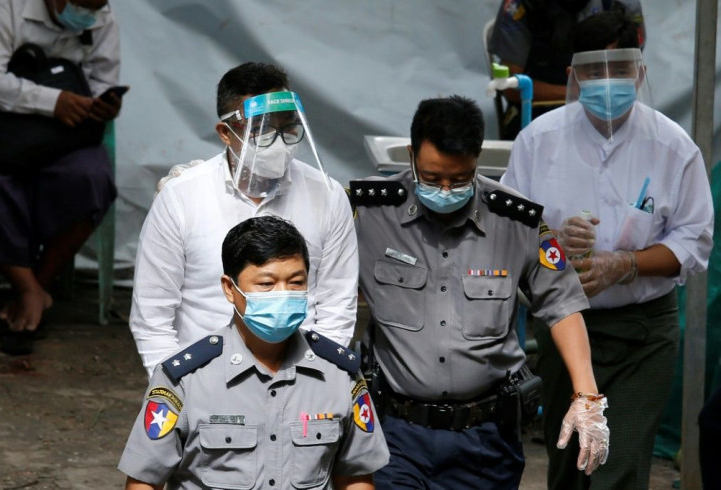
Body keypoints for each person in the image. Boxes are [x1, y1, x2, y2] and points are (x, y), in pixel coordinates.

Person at [500, 11, 714, 489]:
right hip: (563, 326)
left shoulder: (673, 146)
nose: (607, 81)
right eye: (594, 70)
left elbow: (694, 240)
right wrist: (552, 242)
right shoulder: (539, 141)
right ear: (574, 74)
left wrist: (627, 264)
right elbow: (510, 231)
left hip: (643, 331)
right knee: (570, 467)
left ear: (639, 70)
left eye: (619, 68)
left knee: (617, 466)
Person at [353, 95, 608, 489]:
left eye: (459, 180)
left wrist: (586, 395)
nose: (444, 189)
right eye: (432, 177)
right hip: (395, 434)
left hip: (485, 438)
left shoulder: (516, 221)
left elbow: (562, 305)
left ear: (476, 162)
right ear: (410, 155)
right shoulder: (368, 214)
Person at [119, 216, 389, 489]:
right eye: (266, 284)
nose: (283, 294)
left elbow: (355, 477)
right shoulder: (184, 380)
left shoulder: (339, 375)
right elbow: (145, 480)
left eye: (296, 282)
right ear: (229, 288)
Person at [129, 62, 358, 376]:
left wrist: (318, 382)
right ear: (225, 132)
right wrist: (174, 389)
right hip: (202, 380)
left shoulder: (328, 197)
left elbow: (337, 307)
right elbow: (152, 314)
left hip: (301, 378)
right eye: (262, 130)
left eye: (288, 127)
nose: (279, 142)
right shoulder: (181, 197)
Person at [0, 0, 122, 355]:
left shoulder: (99, 16)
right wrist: (52, 100)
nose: (89, 13)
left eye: (98, 4)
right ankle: (28, 289)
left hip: (67, 134)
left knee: (92, 179)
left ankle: (34, 287)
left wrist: (104, 104)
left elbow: (104, 79)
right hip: (1, 127)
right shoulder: (7, 7)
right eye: (81, 3)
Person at [488, 0, 644, 139]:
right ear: (571, 74)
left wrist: (605, 93)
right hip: (537, 112)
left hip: (613, 113)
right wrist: (583, 92)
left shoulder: (623, 5)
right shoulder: (520, 5)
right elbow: (511, 88)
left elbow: (630, 68)